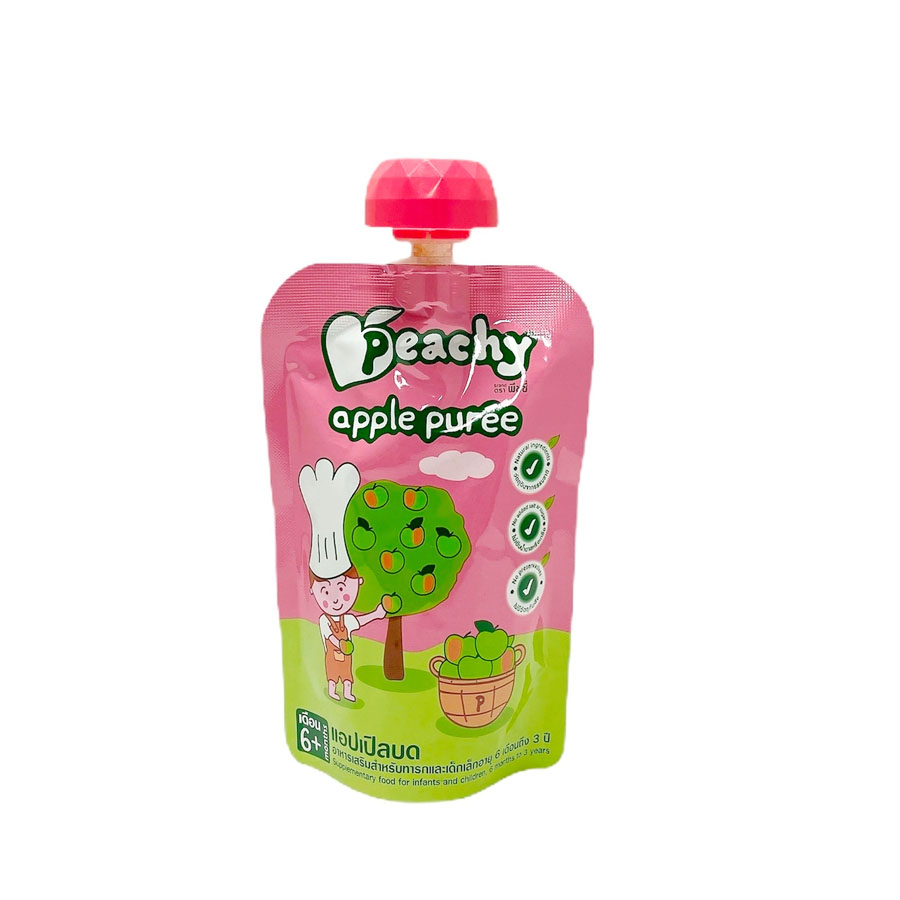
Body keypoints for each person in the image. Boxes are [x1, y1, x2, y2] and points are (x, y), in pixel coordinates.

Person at [310, 565, 386, 701]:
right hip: (333, 655)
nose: (335, 599)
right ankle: (332, 690)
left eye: (341, 589)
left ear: (359, 582)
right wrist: (340, 643)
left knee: (347, 675)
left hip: (346, 656)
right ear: (312, 591)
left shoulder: (347, 619)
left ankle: (347, 693)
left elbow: (360, 621)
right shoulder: (324, 620)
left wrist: (376, 614)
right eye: (326, 592)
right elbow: (329, 636)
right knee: (332, 674)